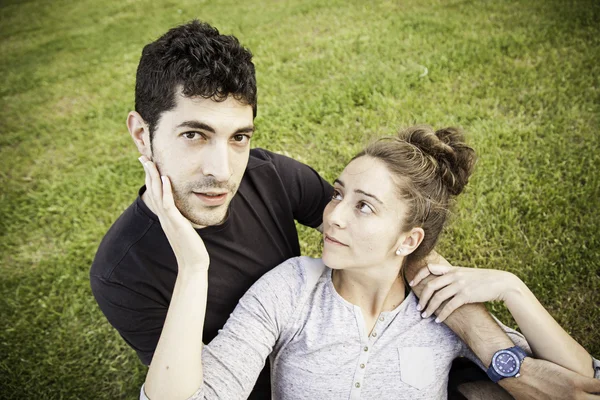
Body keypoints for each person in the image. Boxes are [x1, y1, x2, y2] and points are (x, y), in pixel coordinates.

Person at [90, 20, 600, 399]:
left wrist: (500, 351)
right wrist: (193, 263)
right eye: (194, 134)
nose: (223, 170)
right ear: (142, 133)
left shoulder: (269, 176)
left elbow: (395, 241)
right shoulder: (123, 273)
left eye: (239, 136)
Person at [139, 126, 599, 399]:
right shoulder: (292, 289)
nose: (332, 216)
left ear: (408, 240)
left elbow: (580, 380)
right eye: (338, 193)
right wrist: (194, 266)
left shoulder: (441, 314)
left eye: (364, 206)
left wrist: (513, 288)